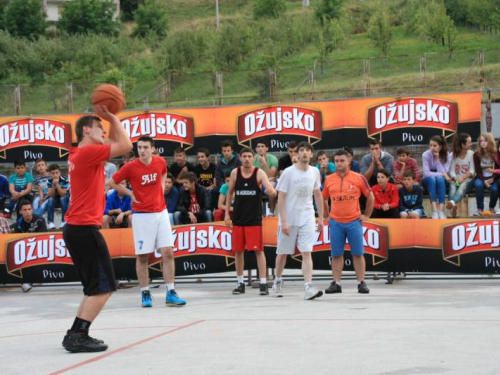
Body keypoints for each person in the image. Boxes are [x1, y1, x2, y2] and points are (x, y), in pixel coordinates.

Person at [62, 106, 132, 353]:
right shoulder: (88, 152)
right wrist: (113, 116)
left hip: (76, 228)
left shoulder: (80, 153)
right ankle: (78, 335)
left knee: (94, 288)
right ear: (85, 130)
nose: (103, 131)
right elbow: (125, 145)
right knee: (104, 288)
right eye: (98, 127)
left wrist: (109, 122)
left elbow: (114, 141)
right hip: (83, 229)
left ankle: (75, 333)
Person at [109, 136, 187, 308]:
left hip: (161, 213)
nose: (142, 150)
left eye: (145, 147)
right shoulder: (131, 167)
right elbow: (111, 182)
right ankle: (145, 292)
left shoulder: (159, 162)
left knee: (168, 252)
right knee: (143, 256)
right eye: (139, 147)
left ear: (152, 149)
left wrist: (160, 185)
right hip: (142, 215)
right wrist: (130, 194)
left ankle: (171, 292)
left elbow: (164, 171)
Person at [272, 142, 324, 300]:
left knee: (306, 252)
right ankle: (277, 281)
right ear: (297, 154)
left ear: (311, 154)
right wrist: (284, 221)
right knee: (282, 253)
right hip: (289, 217)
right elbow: (280, 196)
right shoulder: (288, 172)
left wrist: (320, 218)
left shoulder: (315, 171)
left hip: (307, 216)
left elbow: (317, 194)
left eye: (308, 150)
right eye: (302, 150)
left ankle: (308, 288)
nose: (305, 153)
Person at [225, 147, 277, 296]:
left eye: (249, 156)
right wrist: (227, 214)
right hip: (239, 218)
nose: (247, 159)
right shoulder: (235, 173)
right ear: (240, 158)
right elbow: (229, 193)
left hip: (254, 219)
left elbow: (270, 190)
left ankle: (262, 283)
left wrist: (271, 191)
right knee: (239, 252)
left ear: (253, 158)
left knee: (258, 251)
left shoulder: (259, 173)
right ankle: (240, 282)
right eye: (244, 156)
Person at [322, 149, 374, 295]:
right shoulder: (329, 179)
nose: (339, 163)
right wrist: (326, 215)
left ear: (349, 160)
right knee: (336, 254)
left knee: (358, 253)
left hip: (353, 221)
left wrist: (367, 215)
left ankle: (361, 283)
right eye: (336, 161)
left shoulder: (359, 178)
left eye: (342, 160)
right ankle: (336, 283)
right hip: (336, 223)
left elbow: (370, 196)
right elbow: (323, 198)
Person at [15, 200, 47, 293]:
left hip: (40, 249)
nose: (28, 212)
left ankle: (27, 281)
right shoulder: (18, 225)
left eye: (29, 209)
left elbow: (43, 238)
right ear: (20, 211)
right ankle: (25, 282)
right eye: (25, 210)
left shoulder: (40, 220)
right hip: (24, 252)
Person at [422, 135, 452, 219]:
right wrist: (441, 174)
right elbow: (427, 173)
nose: (432, 147)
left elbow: (445, 171)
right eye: (430, 145)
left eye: (435, 146)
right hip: (428, 180)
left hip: (441, 180)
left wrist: (438, 159)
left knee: (440, 179)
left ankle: (441, 210)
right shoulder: (425, 155)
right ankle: (435, 210)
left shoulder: (447, 154)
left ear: (440, 146)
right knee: (432, 179)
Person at [447, 133, 474, 217]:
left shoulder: (471, 154)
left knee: (462, 186)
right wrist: (456, 179)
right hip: (456, 179)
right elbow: (451, 171)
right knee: (453, 187)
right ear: (463, 145)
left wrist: (463, 178)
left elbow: (472, 171)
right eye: (469, 142)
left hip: (467, 179)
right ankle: (453, 207)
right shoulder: (452, 155)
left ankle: (452, 202)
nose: (471, 144)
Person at [473, 133, 499, 216]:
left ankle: (492, 207)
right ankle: (480, 209)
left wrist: (493, 179)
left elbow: (497, 169)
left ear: (490, 142)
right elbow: (478, 170)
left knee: (495, 189)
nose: (483, 143)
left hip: (493, 177)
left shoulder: (496, 154)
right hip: (481, 177)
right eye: (481, 141)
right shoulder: (476, 154)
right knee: (478, 185)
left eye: (485, 140)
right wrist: (484, 180)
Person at [213, 140, 242, 209]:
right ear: (222, 151)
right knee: (213, 191)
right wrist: (224, 185)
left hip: (237, 184)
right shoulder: (219, 163)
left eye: (228, 151)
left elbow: (241, 174)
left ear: (232, 151)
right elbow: (218, 178)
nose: (226, 153)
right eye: (224, 151)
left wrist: (233, 182)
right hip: (225, 185)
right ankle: (215, 209)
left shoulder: (238, 160)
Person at [254, 139, 278, 215]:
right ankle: (258, 213)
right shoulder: (253, 159)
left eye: (262, 146)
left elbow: (272, 176)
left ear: (266, 148)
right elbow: (251, 175)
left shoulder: (273, 159)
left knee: (272, 185)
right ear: (256, 149)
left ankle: (271, 213)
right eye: (258, 146)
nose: (260, 148)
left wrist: (264, 164)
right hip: (257, 182)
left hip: (269, 182)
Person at [47, 164, 70, 229]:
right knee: (50, 200)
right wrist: (54, 185)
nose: (55, 175)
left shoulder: (64, 179)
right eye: (53, 173)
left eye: (57, 173)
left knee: (62, 199)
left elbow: (63, 193)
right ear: (50, 174)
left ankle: (64, 221)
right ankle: (50, 222)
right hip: (56, 196)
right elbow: (51, 195)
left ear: (60, 172)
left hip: (65, 196)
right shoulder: (49, 181)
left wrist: (57, 185)